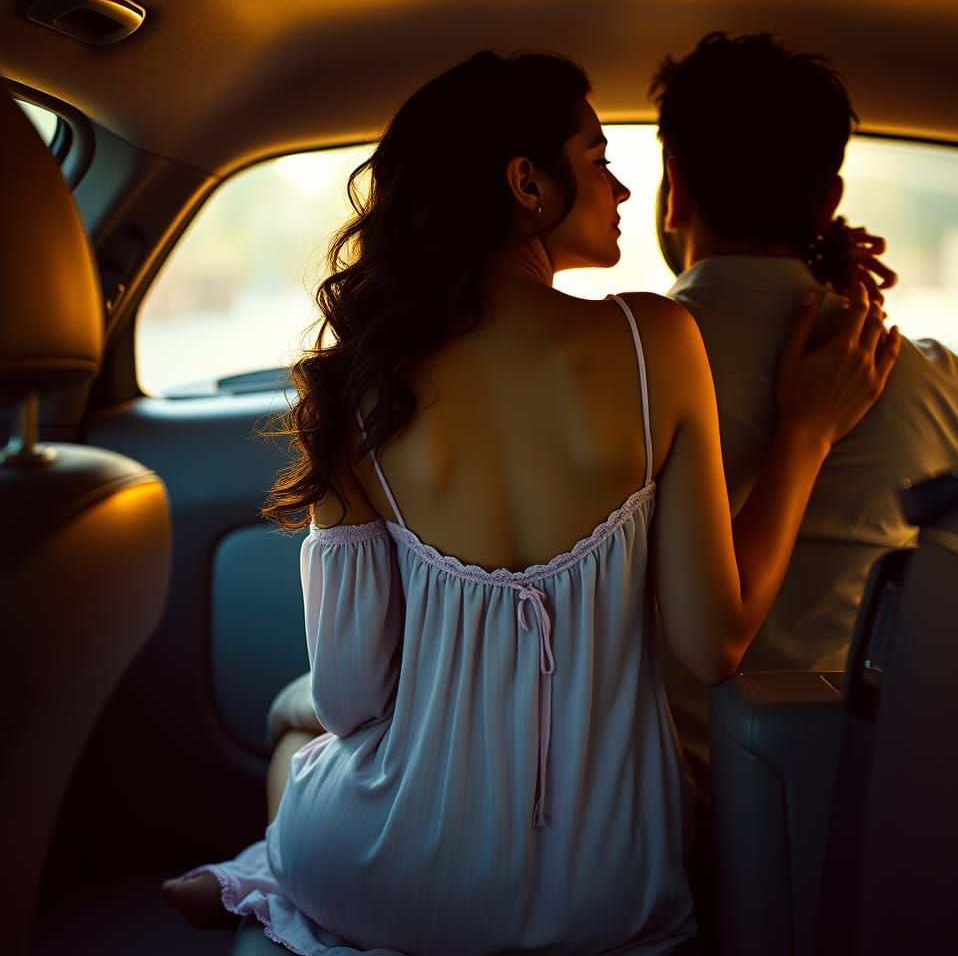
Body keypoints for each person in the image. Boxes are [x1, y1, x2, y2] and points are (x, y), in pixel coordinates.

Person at [163, 49, 898, 954]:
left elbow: (354, 698)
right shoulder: (656, 341)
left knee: (297, 731)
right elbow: (716, 640)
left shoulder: (362, 385)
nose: (624, 188)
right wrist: (805, 437)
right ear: (526, 183)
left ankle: (264, 872)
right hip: (610, 887)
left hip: (391, 879)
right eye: (597, 158)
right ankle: (257, 870)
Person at [651, 32, 958, 784]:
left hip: (661, 815)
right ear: (828, 204)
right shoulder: (948, 388)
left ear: (675, 187)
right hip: (863, 818)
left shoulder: (610, 367)